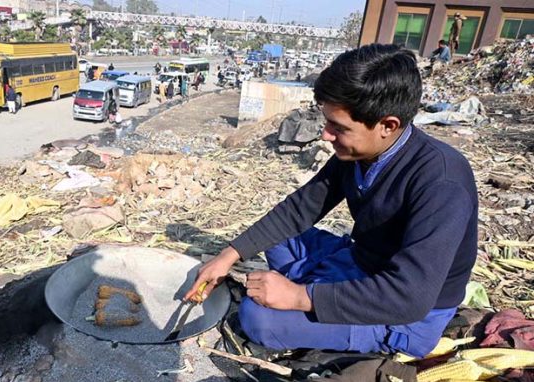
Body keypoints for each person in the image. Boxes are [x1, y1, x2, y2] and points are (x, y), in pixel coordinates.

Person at [184, 44, 478, 357]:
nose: (326, 135)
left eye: (338, 127)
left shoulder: (442, 183)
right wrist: (229, 255)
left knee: (257, 320)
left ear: (387, 125)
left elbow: (410, 296)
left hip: (403, 313)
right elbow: (299, 209)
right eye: (327, 123)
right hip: (361, 260)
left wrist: (301, 297)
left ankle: (311, 296)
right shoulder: (359, 153)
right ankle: (316, 290)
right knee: (278, 235)